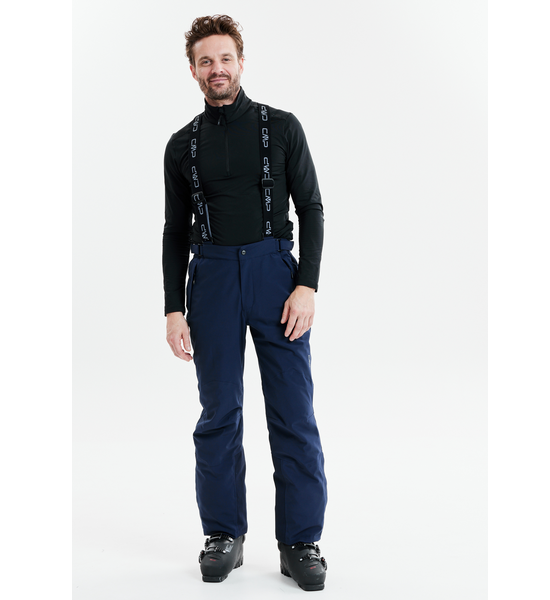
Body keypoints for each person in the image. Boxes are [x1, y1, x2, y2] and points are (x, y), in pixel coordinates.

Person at [162, 15, 328, 592]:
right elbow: (174, 230)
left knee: (293, 412)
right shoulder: (180, 145)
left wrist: (307, 285)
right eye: (205, 61)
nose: (217, 69)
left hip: (275, 276)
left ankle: (300, 541)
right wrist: (173, 307)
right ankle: (223, 535)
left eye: (225, 58)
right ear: (193, 70)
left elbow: (311, 207)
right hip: (209, 279)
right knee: (219, 413)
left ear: (240, 62)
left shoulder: (281, 127)